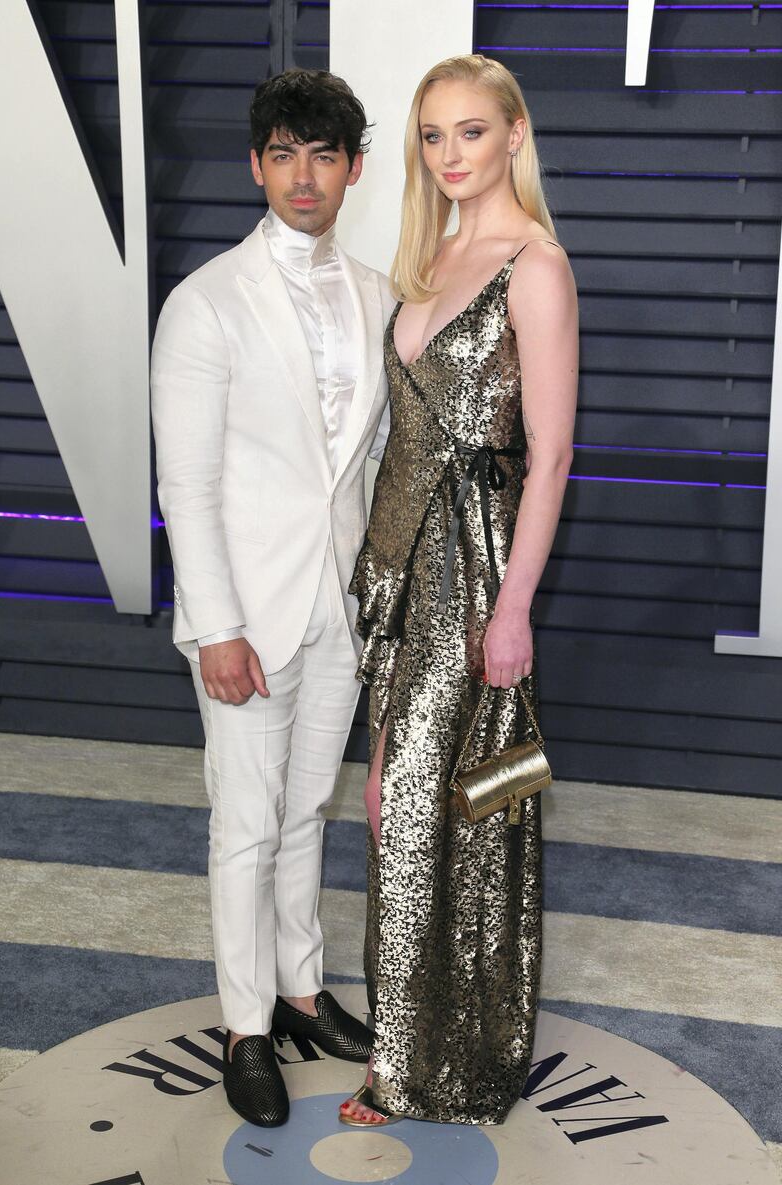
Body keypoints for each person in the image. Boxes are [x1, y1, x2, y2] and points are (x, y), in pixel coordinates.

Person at [151, 68, 396, 1128]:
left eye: (325, 154)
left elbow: (375, 464)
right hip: (243, 614)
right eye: (284, 153)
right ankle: (244, 1025)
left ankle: (302, 993)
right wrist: (215, 625)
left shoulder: (382, 293)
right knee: (244, 822)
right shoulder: (205, 302)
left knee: (306, 811)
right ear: (257, 166)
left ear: (352, 168)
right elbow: (187, 483)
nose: (305, 176)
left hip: (337, 604)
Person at [339, 54, 578, 1127]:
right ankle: (432, 1036)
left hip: (474, 570)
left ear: (513, 137)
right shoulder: (428, 252)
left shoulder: (532, 266)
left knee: (453, 815)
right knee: (395, 803)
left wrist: (514, 604)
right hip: (399, 564)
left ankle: (426, 1066)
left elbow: (552, 454)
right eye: (431, 137)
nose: (449, 156)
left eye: (470, 133)